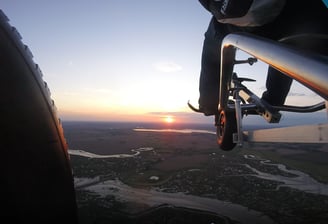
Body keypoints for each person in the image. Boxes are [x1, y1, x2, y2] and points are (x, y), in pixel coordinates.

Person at [195, 0, 328, 116]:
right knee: (287, 47)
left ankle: (209, 104)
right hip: (310, 19)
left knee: (215, 38)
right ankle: (273, 100)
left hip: (258, 21)